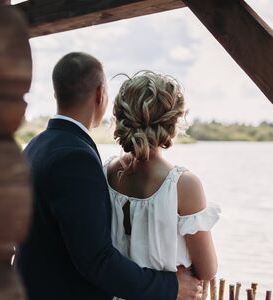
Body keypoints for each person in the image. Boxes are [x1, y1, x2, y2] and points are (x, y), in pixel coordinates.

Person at [15, 52, 202, 300]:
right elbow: (96, 259)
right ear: (101, 93)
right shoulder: (76, 158)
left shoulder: (36, 145)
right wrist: (171, 287)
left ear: (56, 94)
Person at [105, 71, 220, 300]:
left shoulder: (106, 172)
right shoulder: (183, 185)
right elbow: (207, 269)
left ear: (119, 116)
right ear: (173, 121)